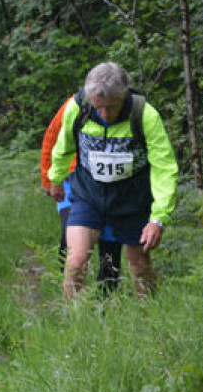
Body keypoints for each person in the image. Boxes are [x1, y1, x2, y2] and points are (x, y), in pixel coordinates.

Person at [48, 62, 178, 298]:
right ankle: (76, 317)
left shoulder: (144, 115)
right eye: (99, 107)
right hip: (88, 194)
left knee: (140, 266)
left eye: (112, 106)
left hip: (132, 199)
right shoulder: (78, 108)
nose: (105, 114)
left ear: (124, 96)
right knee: (75, 262)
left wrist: (158, 218)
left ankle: (149, 314)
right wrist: (55, 179)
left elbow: (164, 168)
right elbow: (63, 146)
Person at [40, 95, 122, 295]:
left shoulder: (127, 107)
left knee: (110, 243)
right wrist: (48, 179)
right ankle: (68, 290)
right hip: (72, 179)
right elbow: (51, 138)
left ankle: (107, 297)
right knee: (69, 235)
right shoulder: (75, 105)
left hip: (111, 185)